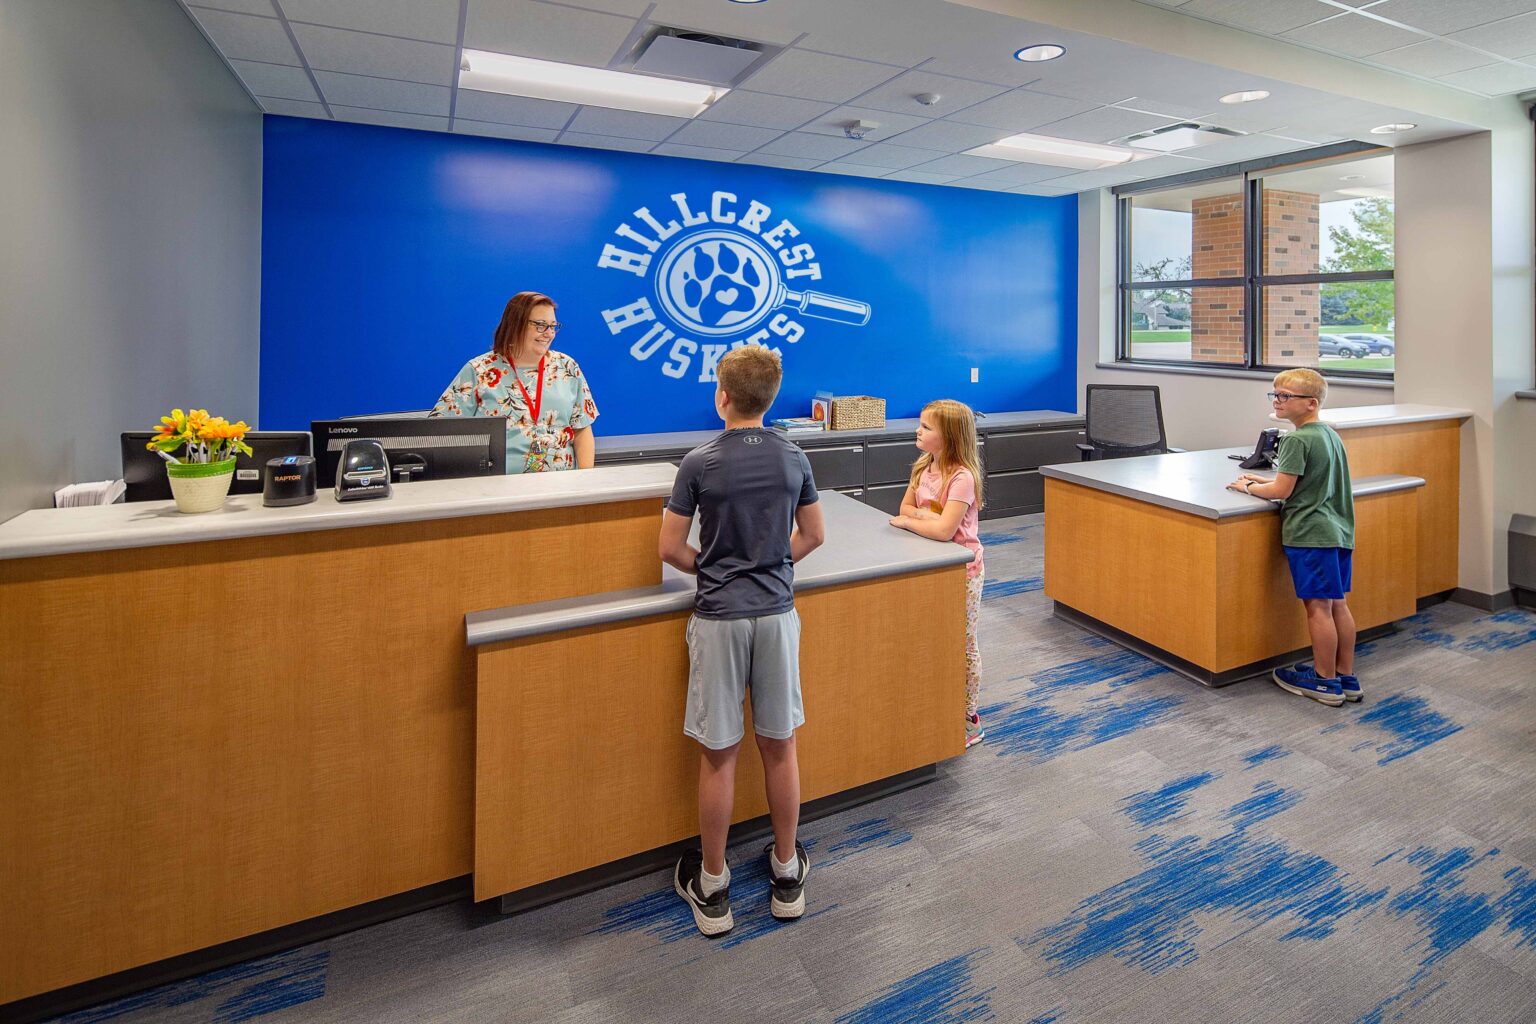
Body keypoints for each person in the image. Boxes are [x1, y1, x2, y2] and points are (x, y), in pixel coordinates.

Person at [657, 345, 825, 937]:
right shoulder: (793, 455)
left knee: (718, 754)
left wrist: (717, 568)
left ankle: (713, 886)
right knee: (780, 746)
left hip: (720, 618)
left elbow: (670, 548)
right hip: (777, 614)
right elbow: (813, 535)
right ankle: (785, 874)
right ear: (772, 397)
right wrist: (773, 562)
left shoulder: (698, 463)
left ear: (721, 396)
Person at [1228, 368, 1359, 706]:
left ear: (1311, 403)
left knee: (1317, 608)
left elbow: (1280, 489)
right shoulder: (1330, 434)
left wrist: (1248, 485)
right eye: (1275, 394)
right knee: (1338, 604)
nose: (1277, 401)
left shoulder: (1297, 440)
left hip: (1310, 533)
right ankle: (1346, 675)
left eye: (1285, 396)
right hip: (1338, 530)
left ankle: (1324, 682)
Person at [888, 399, 987, 748]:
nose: (918, 430)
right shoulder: (923, 468)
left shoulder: (962, 478)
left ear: (949, 437)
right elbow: (903, 508)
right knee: (934, 639)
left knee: (963, 643)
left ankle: (970, 718)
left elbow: (946, 531)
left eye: (926, 427)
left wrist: (918, 519)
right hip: (931, 564)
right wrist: (929, 519)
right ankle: (939, 708)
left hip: (963, 572)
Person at [429, 292, 597, 472]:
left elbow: (582, 430)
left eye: (553, 326)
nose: (549, 334)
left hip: (561, 487)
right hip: (497, 489)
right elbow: (441, 432)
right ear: (516, 325)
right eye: (540, 325)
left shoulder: (567, 367)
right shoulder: (480, 370)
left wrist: (584, 480)